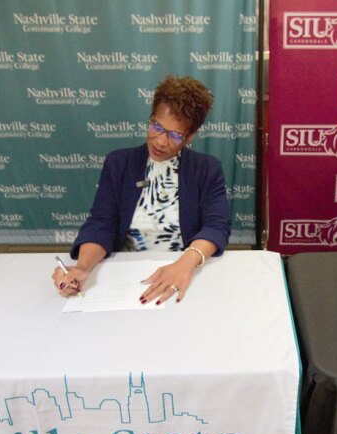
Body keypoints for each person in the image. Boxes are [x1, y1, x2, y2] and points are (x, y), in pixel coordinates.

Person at [53, 75, 230, 303]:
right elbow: (101, 223)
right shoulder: (119, 163)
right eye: (157, 126)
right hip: (126, 276)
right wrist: (82, 268)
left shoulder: (206, 169)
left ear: (190, 136)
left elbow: (217, 227)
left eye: (175, 135)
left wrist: (185, 264)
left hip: (183, 272)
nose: (160, 141)